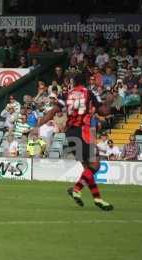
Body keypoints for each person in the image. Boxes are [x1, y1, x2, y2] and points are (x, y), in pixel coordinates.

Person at [38, 73, 114, 211]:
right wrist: (108, 101)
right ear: (85, 82)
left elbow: (53, 112)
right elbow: (103, 112)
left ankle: (98, 199)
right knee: (95, 165)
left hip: (70, 134)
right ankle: (76, 189)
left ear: (73, 83)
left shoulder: (65, 95)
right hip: (84, 132)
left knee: (87, 168)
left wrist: (38, 125)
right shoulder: (89, 93)